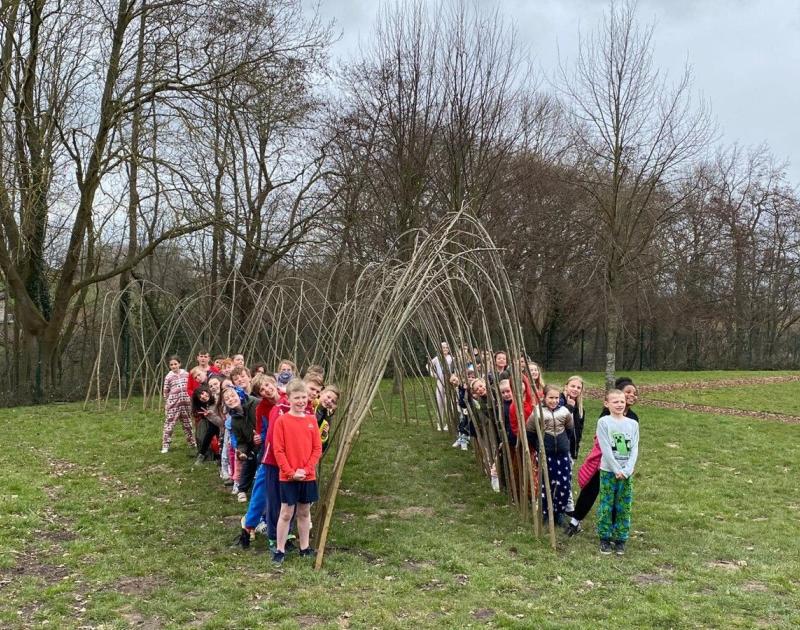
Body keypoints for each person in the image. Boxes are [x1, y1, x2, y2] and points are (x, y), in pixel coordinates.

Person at [565, 378, 638, 537]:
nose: (631, 396)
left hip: (621, 464)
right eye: (627, 393)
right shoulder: (606, 417)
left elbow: (631, 443)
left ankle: (612, 528)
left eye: (633, 393)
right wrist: (614, 462)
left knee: (615, 497)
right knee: (590, 490)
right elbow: (606, 441)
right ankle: (575, 521)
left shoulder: (633, 419)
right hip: (603, 461)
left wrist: (624, 466)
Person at [271, 378, 323, 564]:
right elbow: (278, 450)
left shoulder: (311, 420)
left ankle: (304, 547)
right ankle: (279, 549)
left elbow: (317, 449)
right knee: (286, 512)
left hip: (307, 476)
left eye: (304, 397)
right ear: (289, 399)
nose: (301, 401)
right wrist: (291, 472)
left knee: (304, 512)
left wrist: (306, 469)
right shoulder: (282, 421)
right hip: (288, 476)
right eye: (297, 398)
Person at [595, 389, 640, 555]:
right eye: (615, 401)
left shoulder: (633, 424)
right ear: (607, 404)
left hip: (626, 473)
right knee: (607, 504)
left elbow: (634, 447)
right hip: (608, 471)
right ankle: (604, 537)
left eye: (622, 401)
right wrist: (616, 469)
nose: (619, 404)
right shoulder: (604, 422)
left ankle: (621, 538)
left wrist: (627, 470)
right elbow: (605, 447)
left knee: (624, 505)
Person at [529, 384, 573, 523]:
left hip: (562, 453)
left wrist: (564, 443)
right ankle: (546, 512)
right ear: (544, 397)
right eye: (550, 398)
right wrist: (538, 446)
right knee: (545, 483)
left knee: (563, 483)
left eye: (556, 398)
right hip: (545, 454)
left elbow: (570, 430)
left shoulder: (565, 412)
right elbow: (530, 431)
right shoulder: (537, 412)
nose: (554, 401)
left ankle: (559, 511)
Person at [161, 356, 196, 453]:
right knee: (169, 425)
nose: (173, 366)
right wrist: (168, 402)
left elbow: (190, 387)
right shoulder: (168, 377)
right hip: (173, 405)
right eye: (171, 364)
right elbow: (166, 391)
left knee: (188, 424)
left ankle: (192, 443)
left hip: (186, 404)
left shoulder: (186, 374)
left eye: (175, 364)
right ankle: (165, 445)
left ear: (179, 364)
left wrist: (190, 400)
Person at [428, 342, 454, 431]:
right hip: (440, 382)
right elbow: (428, 366)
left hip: (449, 382)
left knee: (448, 403)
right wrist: (434, 374)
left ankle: (448, 423)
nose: (445, 349)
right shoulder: (437, 358)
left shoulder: (451, 358)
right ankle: (439, 423)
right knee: (439, 402)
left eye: (447, 347)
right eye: (443, 347)